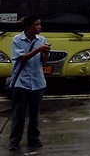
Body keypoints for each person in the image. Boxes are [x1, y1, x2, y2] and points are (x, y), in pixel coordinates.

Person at [8, 14, 50, 151]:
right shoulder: (17, 40)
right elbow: (21, 58)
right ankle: (14, 141)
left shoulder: (42, 39)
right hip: (21, 83)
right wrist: (38, 49)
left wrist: (45, 54)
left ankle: (34, 139)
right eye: (37, 25)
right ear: (28, 27)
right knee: (18, 115)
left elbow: (43, 61)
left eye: (40, 24)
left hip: (37, 82)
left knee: (34, 115)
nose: (39, 27)